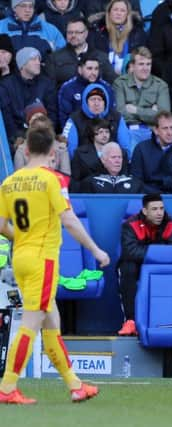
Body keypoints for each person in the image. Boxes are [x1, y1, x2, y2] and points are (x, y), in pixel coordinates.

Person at [0, 126, 109, 404]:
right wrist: (96, 250)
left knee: (51, 323)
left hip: (21, 257)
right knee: (31, 322)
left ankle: (75, 386)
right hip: (42, 260)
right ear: (52, 152)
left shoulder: (9, 182)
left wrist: (20, 238)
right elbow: (69, 220)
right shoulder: (52, 179)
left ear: (25, 151)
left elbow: (1, 225)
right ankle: (7, 386)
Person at [117, 193, 172, 336]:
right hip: (137, 266)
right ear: (145, 211)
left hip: (161, 267)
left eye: (161, 208)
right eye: (154, 209)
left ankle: (170, 320)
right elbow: (130, 252)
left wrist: (152, 254)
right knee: (127, 267)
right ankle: (131, 321)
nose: (159, 213)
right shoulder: (130, 225)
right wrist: (157, 252)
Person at [112, 46, 171, 152]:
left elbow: (164, 117)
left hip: (152, 132)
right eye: (141, 64)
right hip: (128, 131)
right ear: (132, 66)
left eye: (148, 64)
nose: (145, 68)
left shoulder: (161, 85)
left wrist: (135, 110)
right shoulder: (120, 83)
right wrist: (152, 112)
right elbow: (119, 113)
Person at [0, 47, 57, 142]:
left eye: (39, 59)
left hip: (43, 136)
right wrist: (18, 138)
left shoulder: (47, 84)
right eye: (33, 59)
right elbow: (7, 118)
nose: (38, 62)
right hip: (17, 139)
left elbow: (52, 114)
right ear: (22, 64)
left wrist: (44, 134)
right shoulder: (6, 86)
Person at [61, 82, 130, 158]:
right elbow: (70, 150)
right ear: (86, 102)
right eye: (93, 99)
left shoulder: (117, 118)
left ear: (105, 103)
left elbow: (125, 146)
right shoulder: (74, 119)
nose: (96, 103)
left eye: (100, 100)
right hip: (83, 164)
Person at [130, 111, 172, 194]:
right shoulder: (141, 149)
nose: (169, 133)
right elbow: (137, 182)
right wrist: (157, 199)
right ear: (156, 130)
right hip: (149, 197)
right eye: (165, 128)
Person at [45, 17, 117, 87]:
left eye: (77, 32)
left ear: (86, 33)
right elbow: (49, 89)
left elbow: (112, 83)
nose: (73, 35)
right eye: (70, 32)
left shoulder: (101, 57)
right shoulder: (54, 58)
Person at [88, 0, 147, 76]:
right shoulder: (98, 33)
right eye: (115, 10)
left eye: (122, 10)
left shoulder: (138, 34)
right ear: (109, 13)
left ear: (127, 14)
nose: (118, 13)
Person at [57, 52, 115, 128]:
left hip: (102, 133)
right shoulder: (68, 88)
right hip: (77, 132)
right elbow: (65, 118)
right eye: (89, 68)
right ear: (80, 69)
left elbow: (111, 114)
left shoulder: (106, 88)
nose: (93, 72)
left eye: (96, 69)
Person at [0, 0, 65, 61]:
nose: (27, 10)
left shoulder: (49, 29)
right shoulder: (1, 26)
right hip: (8, 71)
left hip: (41, 71)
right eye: (23, 6)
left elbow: (63, 54)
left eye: (31, 6)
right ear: (14, 8)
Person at [78, 142, 143, 193]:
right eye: (113, 157)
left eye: (119, 157)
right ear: (103, 160)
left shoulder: (134, 183)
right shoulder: (89, 182)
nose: (117, 161)